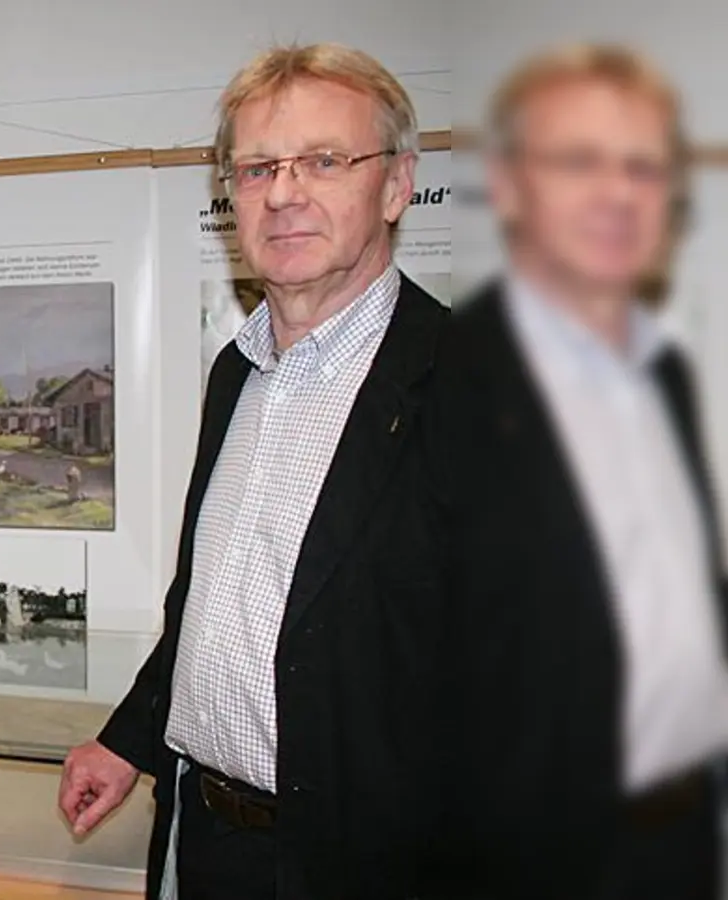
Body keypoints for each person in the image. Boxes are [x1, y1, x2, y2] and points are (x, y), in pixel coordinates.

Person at [58, 43, 449, 899]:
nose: (283, 193)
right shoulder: (236, 374)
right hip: (205, 843)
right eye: (257, 168)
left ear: (395, 185)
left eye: (323, 160)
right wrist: (131, 740)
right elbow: (214, 600)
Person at [426, 44, 725, 900]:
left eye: (643, 166)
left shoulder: (664, 372)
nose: (617, 193)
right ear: (513, 187)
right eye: (580, 160)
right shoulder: (447, 374)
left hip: (679, 840)